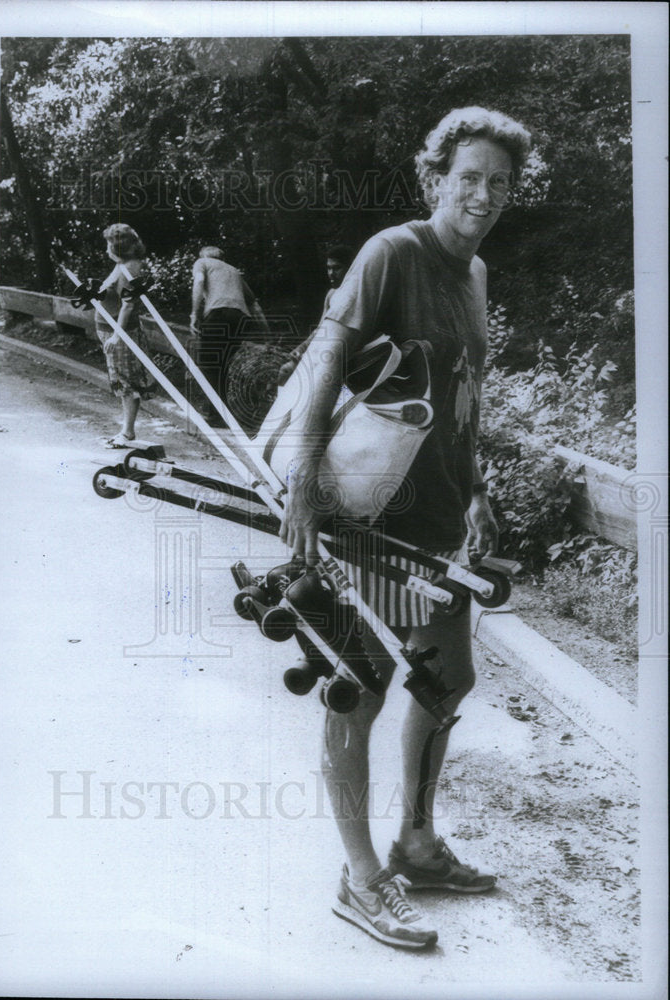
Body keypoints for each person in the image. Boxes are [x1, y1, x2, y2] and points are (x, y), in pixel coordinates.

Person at [278, 107, 532, 949]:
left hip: (436, 521)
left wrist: (476, 487)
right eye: (467, 177)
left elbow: (461, 395)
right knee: (360, 689)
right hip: (361, 514)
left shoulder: (476, 274)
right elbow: (327, 352)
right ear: (436, 179)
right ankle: (361, 879)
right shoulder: (393, 252)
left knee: (445, 679)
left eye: (498, 182)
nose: (482, 194)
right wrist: (305, 480)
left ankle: (416, 843)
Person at [189, 246, 269, 425]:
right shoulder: (233, 271)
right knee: (224, 364)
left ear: (204, 255)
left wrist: (194, 314)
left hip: (219, 314)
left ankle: (215, 415)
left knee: (208, 364)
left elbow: (199, 281)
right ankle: (223, 413)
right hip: (241, 319)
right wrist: (267, 336)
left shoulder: (202, 263)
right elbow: (255, 306)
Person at [95, 223, 155, 448]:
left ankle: (128, 432)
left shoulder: (130, 268)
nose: (106, 249)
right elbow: (108, 293)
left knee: (125, 381)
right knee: (121, 380)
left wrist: (117, 336)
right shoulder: (122, 265)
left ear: (118, 247)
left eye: (109, 245)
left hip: (119, 332)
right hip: (109, 329)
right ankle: (126, 430)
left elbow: (128, 306)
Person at [277, 243, 354, 384]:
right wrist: (301, 349)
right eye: (328, 268)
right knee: (286, 370)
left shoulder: (356, 293)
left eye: (337, 268)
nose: (331, 273)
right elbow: (320, 329)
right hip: (325, 350)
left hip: (347, 353)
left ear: (349, 269)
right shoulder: (332, 294)